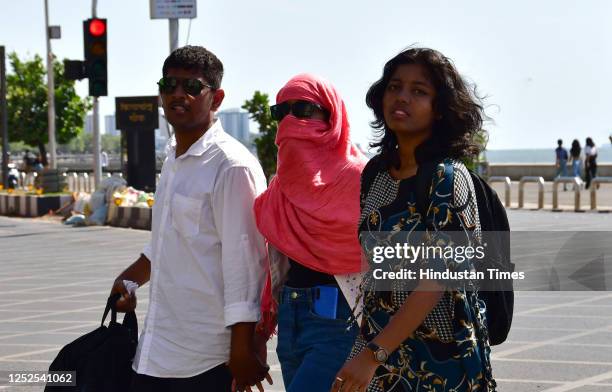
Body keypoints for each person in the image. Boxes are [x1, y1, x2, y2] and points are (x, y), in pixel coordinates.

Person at [109, 45, 271, 392]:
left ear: (216, 98)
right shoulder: (173, 158)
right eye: (169, 85)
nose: (178, 94)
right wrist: (131, 278)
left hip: (206, 356)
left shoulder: (231, 166)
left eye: (192, 87)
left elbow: (245, 264)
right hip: (157, 349)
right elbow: (167, 242)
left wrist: (242, 348)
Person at [332, 48, 494, 392]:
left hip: (439, 359)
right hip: (381, 349)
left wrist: (374, 353)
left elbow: (439, 279)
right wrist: (369, 347)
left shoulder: (448, 177)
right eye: (394, 87)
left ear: (440, 109)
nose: (402, 97)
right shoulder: (375, 173)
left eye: (419, 91)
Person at [253, 74, 368, 392]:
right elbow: (275, 269)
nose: (290, 121)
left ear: (331, 116)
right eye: (281, 112)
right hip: (290, 320)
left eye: (303, 109)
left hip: (341, 322)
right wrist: (261, 333)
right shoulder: (280, 188)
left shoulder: (363, 180)